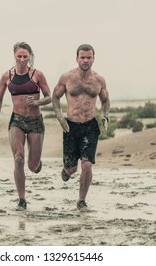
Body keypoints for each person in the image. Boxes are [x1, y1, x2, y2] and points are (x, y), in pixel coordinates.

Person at [0, 42, 51, 211]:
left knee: (32, 166)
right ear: (14, 56)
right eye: (19, 56)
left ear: (30, 56)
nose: (23, 59)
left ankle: (37, 164)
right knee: (18, 158)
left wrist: (37, 101)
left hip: (35, 122)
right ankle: (22, 199)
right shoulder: (7, 76)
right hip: (16, 120)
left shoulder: (37, 75)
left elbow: (49, 97)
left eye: (25, 56)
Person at [52, 44, 110, 211]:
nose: (85, 60)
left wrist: (105, 115)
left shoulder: (99, 80)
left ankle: (81, 200)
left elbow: (105, 101)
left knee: (87, 164)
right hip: (71, 126)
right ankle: (67, 171)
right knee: (72, 168)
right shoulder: (67, 78)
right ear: (77, 58)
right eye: (82, 57)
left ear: (93, 58)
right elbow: (55, 98)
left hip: (90, 126)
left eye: (88, 57)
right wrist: (59, 116)